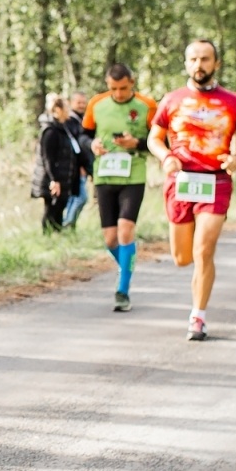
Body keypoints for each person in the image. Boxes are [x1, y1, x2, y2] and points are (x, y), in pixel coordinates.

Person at [148, 39, 236, 342]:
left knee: (203, 250)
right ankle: (197, 286)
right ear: (186, 63)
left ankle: (198, 316)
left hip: (216, 180)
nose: (199, 65)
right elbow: (154, 139)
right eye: (194, 59)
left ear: (216, 63)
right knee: (182, 257)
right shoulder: (172, 100)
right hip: (181, 180)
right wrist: (166, 156)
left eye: (205, 59)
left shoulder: (233, 101)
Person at [84, 64, 157, 311]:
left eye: (123, 88)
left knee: (126, 230)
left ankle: (122, 290)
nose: (118, 93)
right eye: (113, 88)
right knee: (110, 238)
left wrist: (136, 142)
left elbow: (160, 140)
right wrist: (92, 145)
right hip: (104, 175)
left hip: (133, 174)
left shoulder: (147, 106)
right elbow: (83, 135)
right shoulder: (96, 104)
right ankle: (127, 266)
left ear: (132, 82)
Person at [33, 93, 81, 233]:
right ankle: (46, 238)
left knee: (59, 210)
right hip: (53, 180)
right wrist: (54, 180)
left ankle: (57, 236)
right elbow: (48, 158)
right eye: (67, 108)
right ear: (58, 109)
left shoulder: (64, 129)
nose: (69, 112)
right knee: (51, 210)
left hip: (64, 178)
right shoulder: (50, 131)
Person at [62, 91, 94, 228]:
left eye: (83, 102)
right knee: (80, 197)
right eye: (78, 102)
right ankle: (67, 223)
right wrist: (79, 166)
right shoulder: (69, 122)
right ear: (71, 103)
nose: (81, 105)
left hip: (84, 166)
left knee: (74, 197)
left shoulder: (84, 120)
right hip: (75, 167)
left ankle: (69, 225)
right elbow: (73, 147)